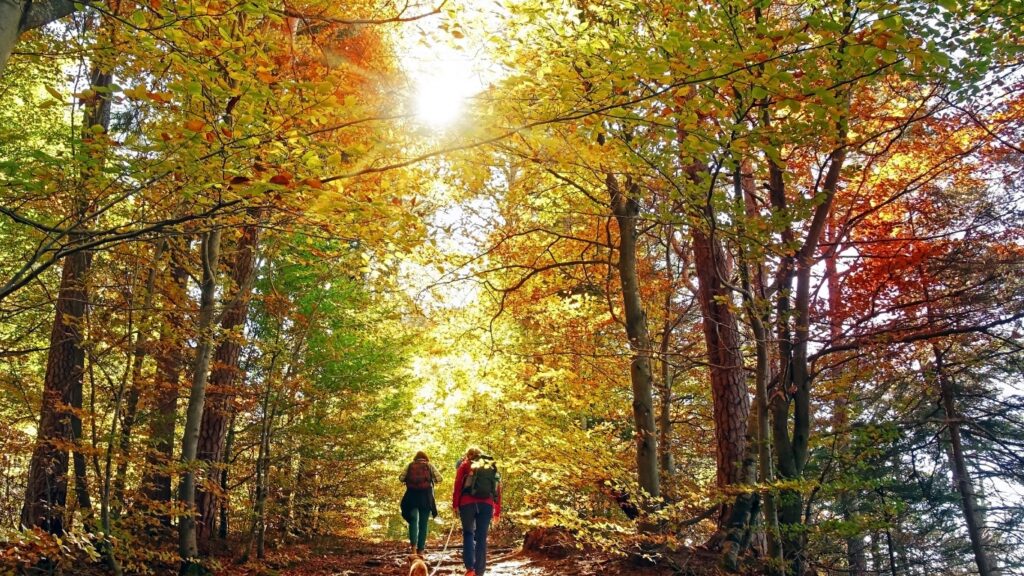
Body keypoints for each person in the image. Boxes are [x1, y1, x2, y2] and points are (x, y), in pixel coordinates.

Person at [452, 446, 502, 576]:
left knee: (468, 534)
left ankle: (470, 569)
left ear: (468, 455)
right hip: (486, 504)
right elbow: (497, 489)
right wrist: (497, 511)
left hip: (467, 503)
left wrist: (455, 505)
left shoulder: (464, 465)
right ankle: (480, 571)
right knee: (481, 537)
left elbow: (457, 485)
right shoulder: (490, 466)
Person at [400, 451, 441, 557]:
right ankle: (421, 550)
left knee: (413, 521)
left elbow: (401, 478)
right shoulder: (429, 465)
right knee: (423, 524)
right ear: (425, 458)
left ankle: (413, 548)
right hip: (425, 497)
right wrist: (429, 480)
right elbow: (439, 479)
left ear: (415, 458)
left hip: (412, 497)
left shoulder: (410, 465)